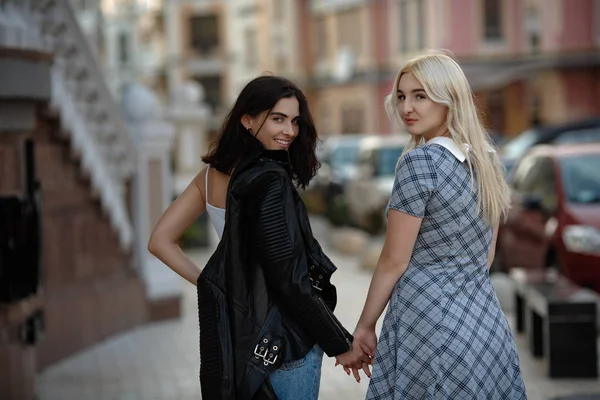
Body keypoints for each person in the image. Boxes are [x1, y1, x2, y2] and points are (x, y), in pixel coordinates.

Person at [147, 75, 371, 400]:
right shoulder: (270, 181)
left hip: (242, 336)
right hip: (284, 340)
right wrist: (341, 344)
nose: (290, 131)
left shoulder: (210, 177)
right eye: (277, 119)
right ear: (247, 120)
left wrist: (219, 286)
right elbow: (290, 280)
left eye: (294, 121)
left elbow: (160, 241)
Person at [344, 52, 528, 399]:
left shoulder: (420, 163)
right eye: (401, 96)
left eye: (420, 95)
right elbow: (485, 258)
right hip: (483, 322)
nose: (406, 108)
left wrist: (365, 326)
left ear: (449, 98)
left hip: (427, 323)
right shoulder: (488, 161)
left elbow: (394, 261)